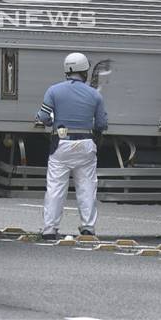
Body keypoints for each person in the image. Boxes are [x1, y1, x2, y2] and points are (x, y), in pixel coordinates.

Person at [36, 52, 108, 240]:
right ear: (84, 71)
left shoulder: (53, 90)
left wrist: (51, 120)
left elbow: (43, 118)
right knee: (86, 187)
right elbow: (101, 124)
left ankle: (50, 229)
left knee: (55, 187)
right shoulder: (95, 95)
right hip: (86, 145)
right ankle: (88, 228)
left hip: (61, 143)